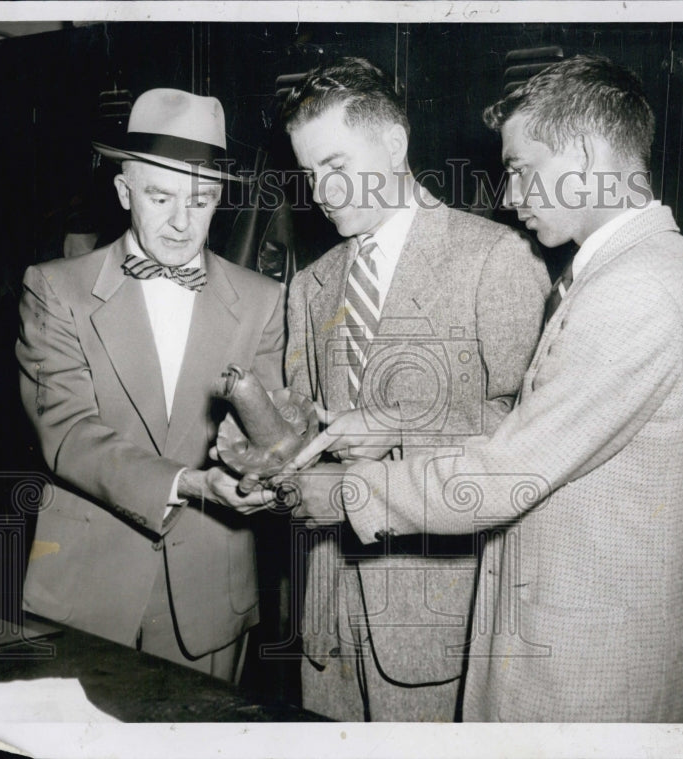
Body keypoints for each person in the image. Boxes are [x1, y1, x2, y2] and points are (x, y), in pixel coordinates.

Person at [283, 55, 683, 721]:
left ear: (582, 154)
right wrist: (394, 428)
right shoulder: (636, 272)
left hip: (589, 673)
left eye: (521, 169)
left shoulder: (636, 290)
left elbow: (507, 469)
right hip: (573, 654)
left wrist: (350, 492)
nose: (510, 194)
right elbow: (542, 434)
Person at [276, 57, 549, 721]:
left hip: (440, 622)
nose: (322, 192)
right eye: (311, 174)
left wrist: (402, 428)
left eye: (337, 166)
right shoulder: (309, 286)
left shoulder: (494, 258)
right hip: (327, 623)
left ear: (394, 144)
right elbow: (304, 441)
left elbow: (533, 438)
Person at [16, 88, 285, 681]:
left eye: (201, 199)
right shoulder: (55, 288)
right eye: (160, 197)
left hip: (210, 600)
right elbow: (66, 432)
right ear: (123, 192)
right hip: (85, 591)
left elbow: (266, 436)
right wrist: (188, 482)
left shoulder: (266, 302)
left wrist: (266, 477)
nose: (182, 222)